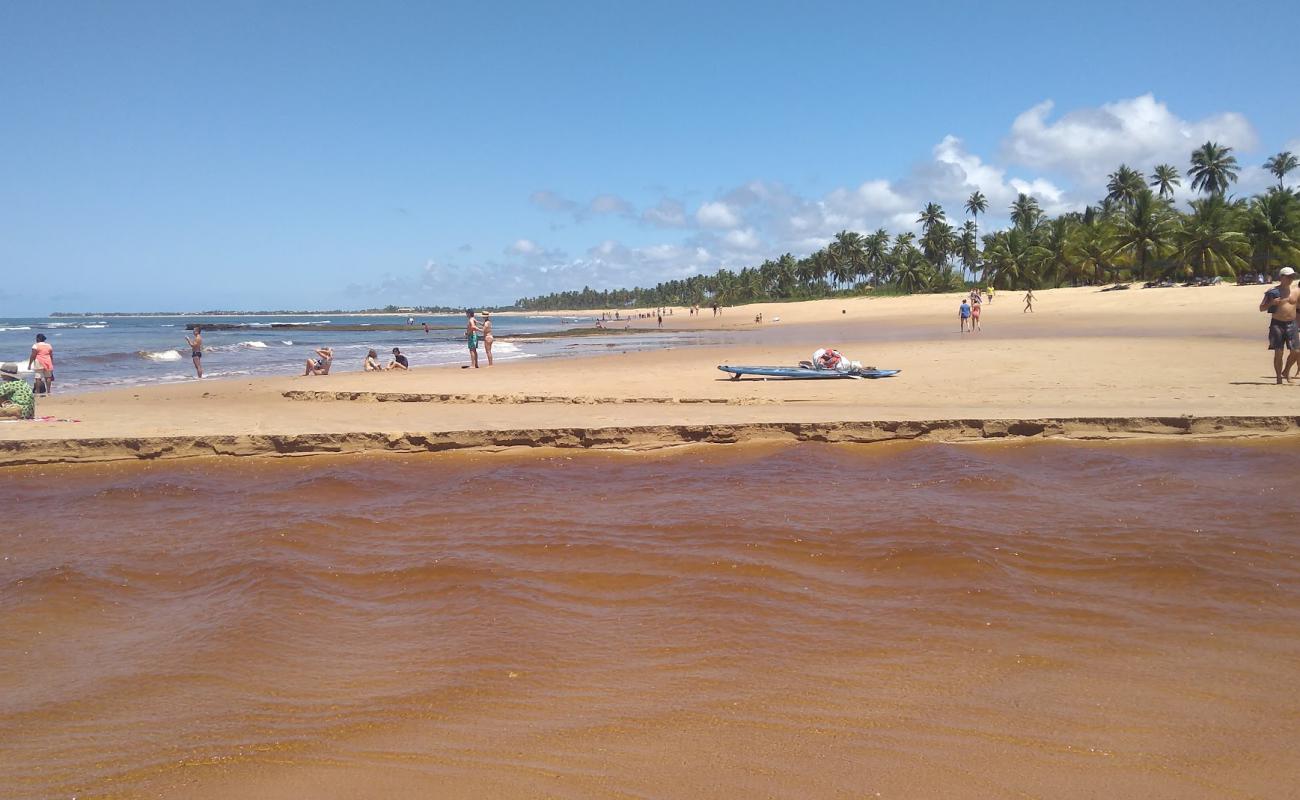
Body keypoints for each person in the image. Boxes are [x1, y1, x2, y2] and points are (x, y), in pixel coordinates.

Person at [1261, 267, 1300, 384]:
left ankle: (1286, 371)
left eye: (1292, 277)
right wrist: (1271, 303)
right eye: (1289, 277)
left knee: (1296, 351)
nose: (1291, 279)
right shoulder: (1272, 292)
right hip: (1277, 324)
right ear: (1282, 277)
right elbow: (1261, 308)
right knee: (1279, 352)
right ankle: (1279, 377)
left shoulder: (1297, 291)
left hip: (1292, 324)